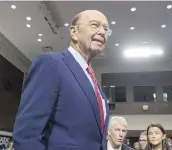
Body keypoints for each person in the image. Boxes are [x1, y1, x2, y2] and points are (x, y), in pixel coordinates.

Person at [13, 9, 111, 150]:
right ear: (74, 32)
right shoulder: (50, 64)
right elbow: (27, 134)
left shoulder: (93, 82)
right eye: (95, 25)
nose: (102, 32)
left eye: (106, 29)